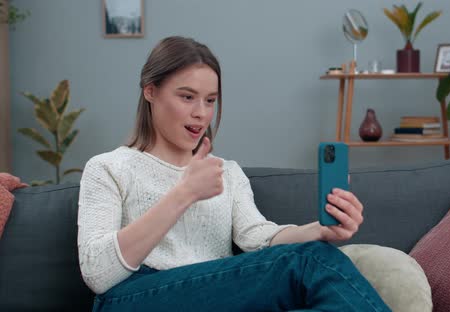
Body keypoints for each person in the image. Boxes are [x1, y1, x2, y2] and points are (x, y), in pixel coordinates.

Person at [77, 36, 391, 312]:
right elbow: (98, 274)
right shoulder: (108, 168)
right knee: (310, 260)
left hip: (214, 294)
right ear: (151, 91)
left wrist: (320, 230)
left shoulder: (226, 173)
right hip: (134, 297)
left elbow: (258, 239)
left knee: (316, 257)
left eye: (210, 100)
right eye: (187, 97)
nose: (201, 112)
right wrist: (184, 193)